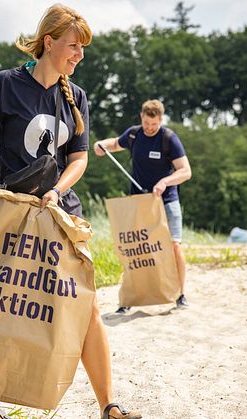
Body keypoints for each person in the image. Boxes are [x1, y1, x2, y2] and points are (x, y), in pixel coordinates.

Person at [0, 4, 141, 419]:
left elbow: (78, 159)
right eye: (74, 46)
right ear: (49, 42)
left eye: (83, 49)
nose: (80, 55)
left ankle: (108, 405)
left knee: (85, 306)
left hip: (61, 211)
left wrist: (58, 191)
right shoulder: (7, 84)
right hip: (12, 209)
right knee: (4, 301)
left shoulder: (76, 96)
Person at [93, 99, 192, 314]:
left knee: (174, 247)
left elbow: (185, 171)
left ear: (161, 120)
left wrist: (165, 182)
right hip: (139, 202)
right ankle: (130, 298)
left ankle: (181, 294)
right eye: (147, 123)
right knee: (135, 249)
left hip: (166, 201)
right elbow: (113, 144)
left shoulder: (169, 139)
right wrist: (100, 145)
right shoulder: (133, 135)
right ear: (141, 117)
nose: (149, 128)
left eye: (154, 124)